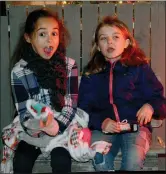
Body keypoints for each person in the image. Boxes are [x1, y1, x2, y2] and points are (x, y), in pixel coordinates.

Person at [78, 16, 166, 171]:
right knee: (100, 159)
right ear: (98, 46)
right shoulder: (91, 73)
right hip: (103, 129)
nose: (110, 42)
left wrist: (150, 106)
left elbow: (159, 99)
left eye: (115, 37)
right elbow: (84, 109)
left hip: (136, 128)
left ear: (126, 43)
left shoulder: (139, 68)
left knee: (132, 160)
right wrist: (101, 122)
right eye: (103, 38)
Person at [10, 8, 78, 173]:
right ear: (28, 38)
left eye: (54, 34)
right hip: (33, 128)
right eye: (42, 34)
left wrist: (56, 127)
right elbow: (24, 112)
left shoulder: (69, 66)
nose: (50, 41)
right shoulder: (19, 71)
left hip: (62, 127)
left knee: (61, 161)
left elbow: (70, 105)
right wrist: (40, 128)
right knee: (21, 161)